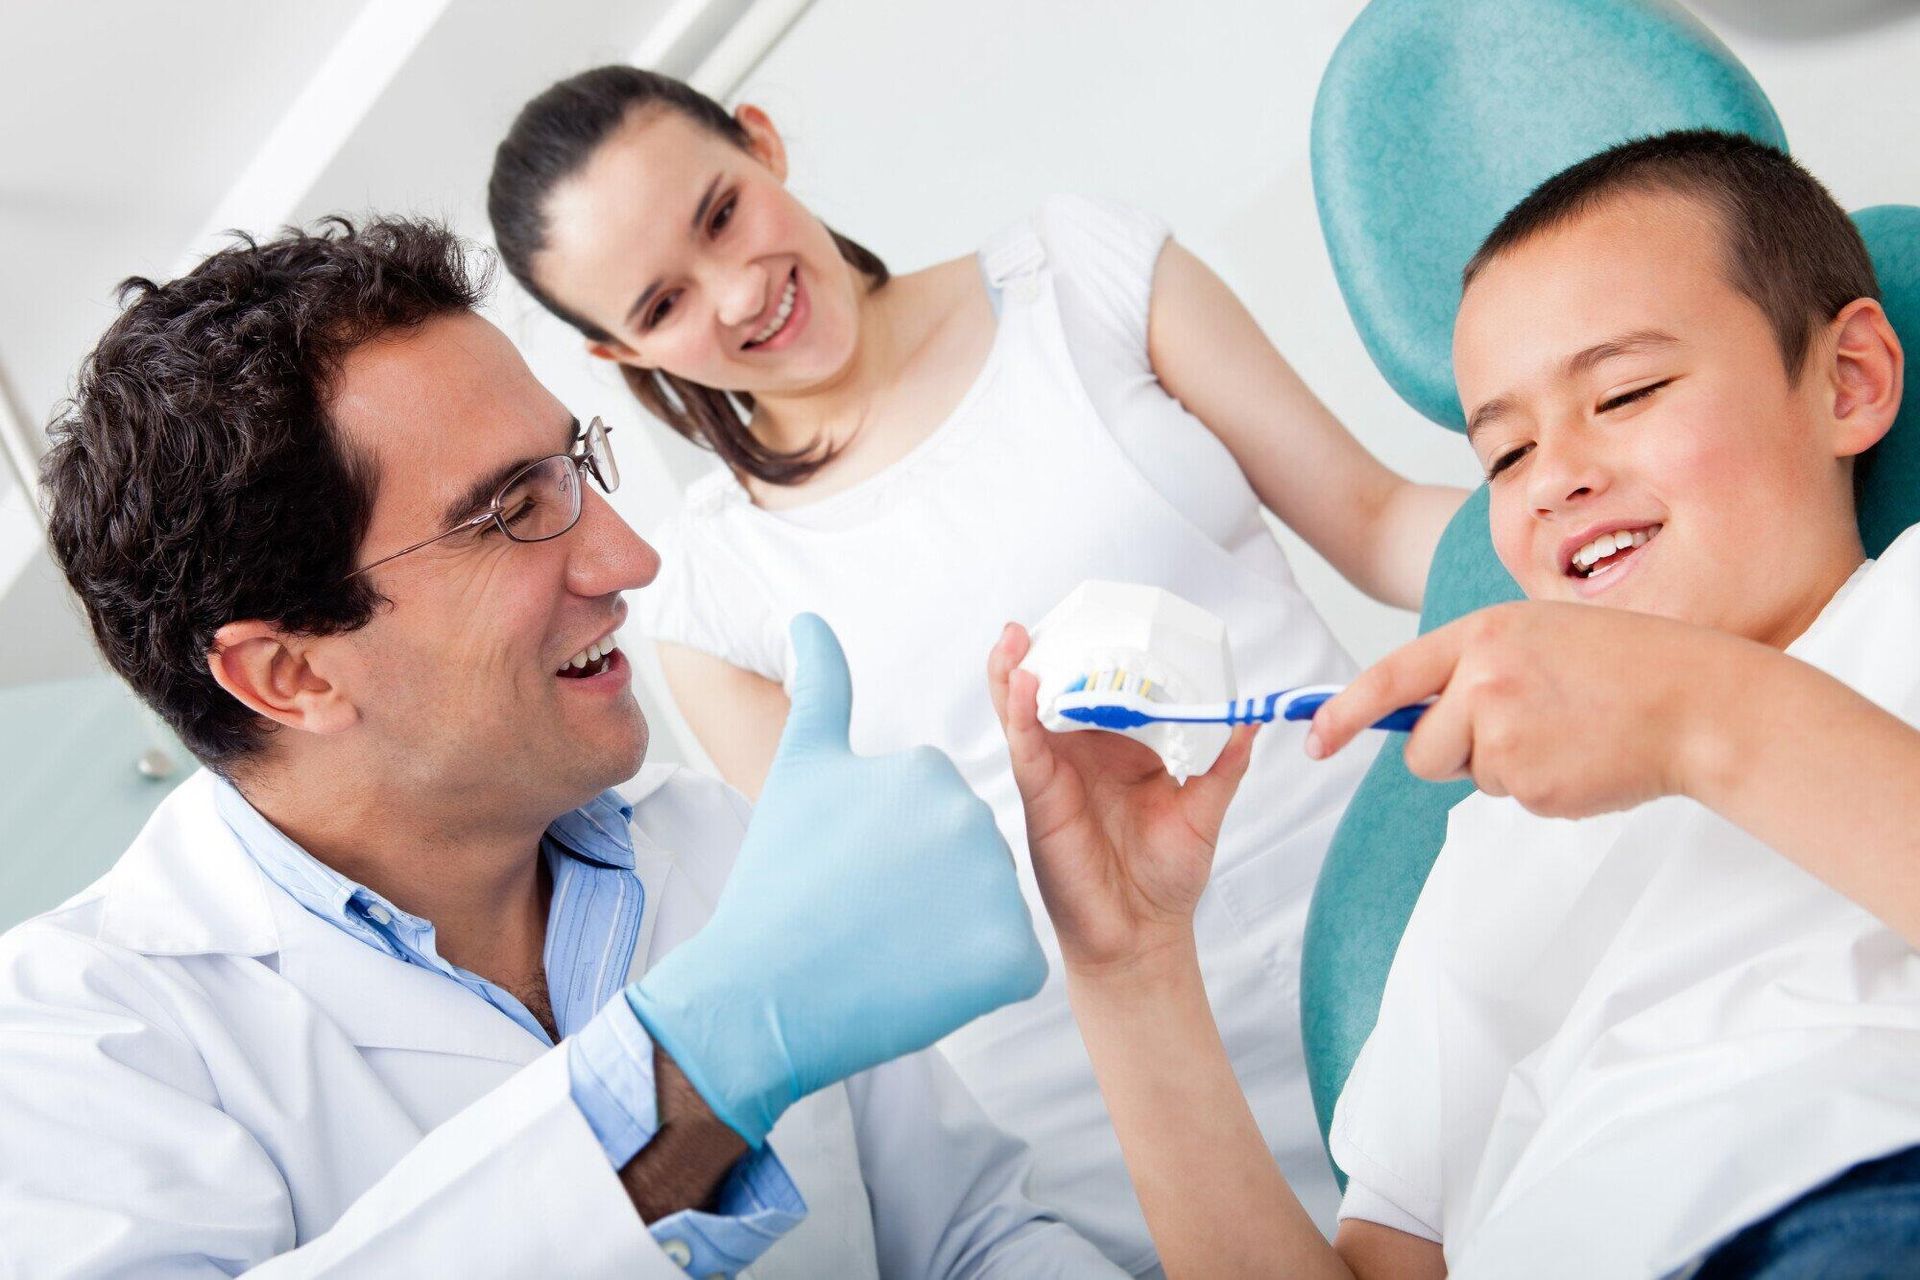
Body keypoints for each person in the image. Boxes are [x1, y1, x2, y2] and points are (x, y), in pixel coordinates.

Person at [0, 216, 1127, 1278]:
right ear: (291, 672)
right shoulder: (75, 1042)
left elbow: (974, 1237)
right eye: (513, 511)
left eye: (574, 466)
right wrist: (700, 1066)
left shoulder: (720, 844)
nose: (629, 559)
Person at [486, 66, 1466, 1266]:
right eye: (664, 302)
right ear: (612, 346)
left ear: (760, 141)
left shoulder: (1084, 277)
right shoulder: (710, 595)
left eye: (722, 213)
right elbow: (861, 922)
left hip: (1403, 915)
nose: (739, 293)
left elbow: (1373, 517)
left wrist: (1585, 526)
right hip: (1118, 1108)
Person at [987, 129, 1920, 1278]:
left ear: (1849, 381)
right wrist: (1128, 969)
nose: (1556, 477)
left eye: (1623, 391)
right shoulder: (1502, 841)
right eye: (1507, 452)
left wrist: (1692, 713)